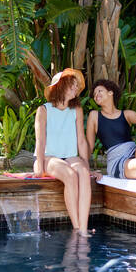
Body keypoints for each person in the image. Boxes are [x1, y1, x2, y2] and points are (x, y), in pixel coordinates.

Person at [34, 68, 93, 236]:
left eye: (77, 86)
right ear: (60, 86)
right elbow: (40, 139)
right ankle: (77, 229)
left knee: (82, 172)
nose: (76, 89)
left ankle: (84, 227)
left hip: (71, 156)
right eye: (72, 85)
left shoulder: (76, 110)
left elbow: (81, 140)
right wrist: (39, 164)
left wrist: (87, 164)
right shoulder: (43, 110)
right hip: (49, 157)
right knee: (70, 175)